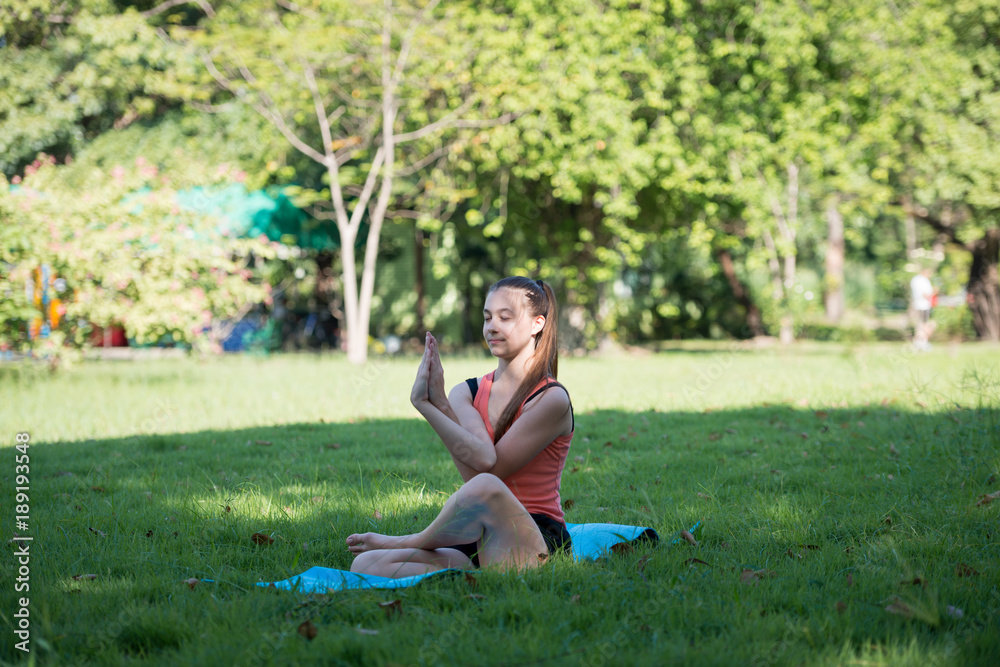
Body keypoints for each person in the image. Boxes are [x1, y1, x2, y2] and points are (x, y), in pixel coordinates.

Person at [346, 277, 575, 578]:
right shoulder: (466, 392)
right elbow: (480, 460)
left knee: (487, 485)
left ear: (537, 324)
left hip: (534, 536)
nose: (492, 326)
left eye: (505, 317)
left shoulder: (550, 399)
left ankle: (408, 540)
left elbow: (487, 478)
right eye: (487, 317)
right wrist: (436, 404)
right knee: (365, 565)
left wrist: (431, 408)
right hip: (479, 534)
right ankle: (466, 569)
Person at [910, 266, 936, 350]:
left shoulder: (915, 279)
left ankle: (918, 342)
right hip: (923, 305)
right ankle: (922, 342)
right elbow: (926, 294)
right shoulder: (923, 280)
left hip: (916, 304)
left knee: (919, 325)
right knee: (924, 325)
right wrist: (935, 292)